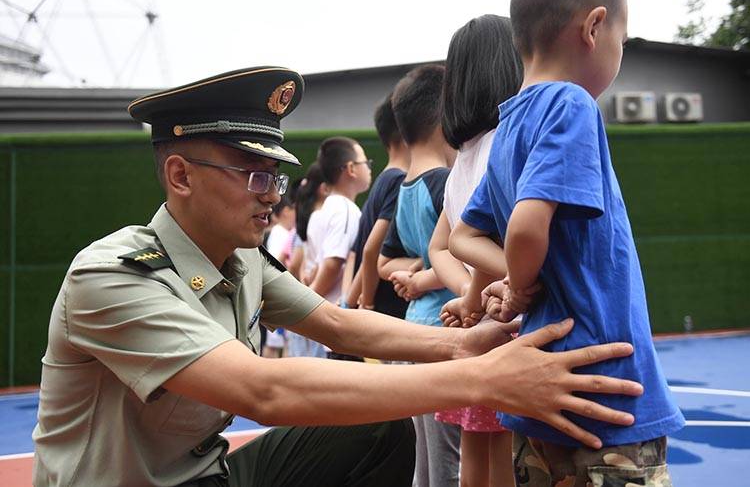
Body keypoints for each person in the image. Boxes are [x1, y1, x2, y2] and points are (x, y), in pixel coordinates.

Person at [33, 66, 644, 487]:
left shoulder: (238, 259)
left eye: (274, 176)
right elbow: (263, 393)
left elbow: (338, 323)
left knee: (382, 430)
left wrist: (459, 343)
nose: (271, 195)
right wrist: (482, 379)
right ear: (180, 175)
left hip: (207, 476)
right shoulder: (113, 278)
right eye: (253, 175)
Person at [450, 0, 684, 485]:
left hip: (538, 387)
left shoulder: (510, 124)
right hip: (606, 393)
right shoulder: (570, 104)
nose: (619, 52)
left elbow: (461, 238)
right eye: (622, 39)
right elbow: (528, 228)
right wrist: (517, 282)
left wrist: (519, 283)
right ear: (595, 26)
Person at [428, 14, 523, 487]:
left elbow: (443, 247)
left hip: (479, 321)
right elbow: (499, 237)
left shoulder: (461, 162)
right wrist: (483, 293)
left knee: (475, 451)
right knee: (506, 450)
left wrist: (469, 294)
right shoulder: (505, 146)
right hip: (507, 323)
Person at [377, 64, 461, 487]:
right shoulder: (444, 182)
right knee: (449, 461)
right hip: (443, 332)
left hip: (413, 332)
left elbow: (385, 263)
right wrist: (425, 276)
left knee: (423, 462)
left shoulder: (406, 185)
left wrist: (411, 273)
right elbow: (456, 263)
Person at [345, 93, 409, 318]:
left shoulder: (383, 179)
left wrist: (349, 302)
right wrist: (368, 304)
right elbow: (372, 250)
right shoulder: (399, 181)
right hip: (385, 311)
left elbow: (361, 253)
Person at [307, 136, 372, 360]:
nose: (369, 169)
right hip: (340, 322)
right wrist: (307, 302)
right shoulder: (343, 209)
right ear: (351, 169)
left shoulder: (324, 209)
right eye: (366, 163)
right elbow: (334, 262)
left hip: (330, 326)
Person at [286, 162, 329, 358]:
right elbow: (329, 261)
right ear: (324, 188)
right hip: (320, 301)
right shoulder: (325, 217)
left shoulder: (305, 220)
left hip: (307, 294)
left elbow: (297, 263)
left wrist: (304, 281)